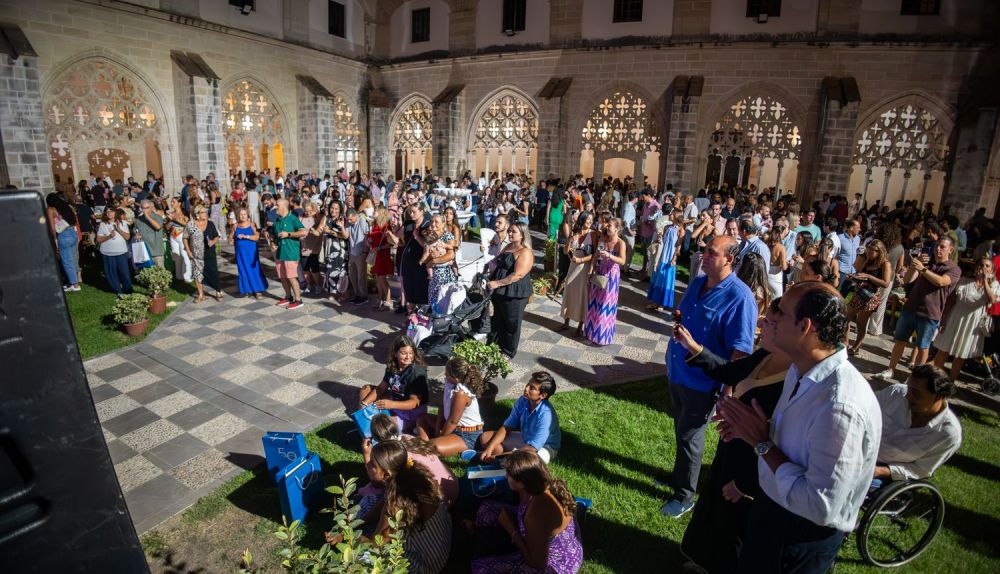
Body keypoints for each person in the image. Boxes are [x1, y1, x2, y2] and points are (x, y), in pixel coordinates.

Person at [717, 282, 881, 574]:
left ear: (804, 326)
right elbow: (799, 442)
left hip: (798, 537)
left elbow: (821, 505)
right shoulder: (799, 370)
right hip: (772, 513)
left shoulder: (840, 406)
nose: (771, 318)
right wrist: (751, 428)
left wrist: (761, 444)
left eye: (781, 312)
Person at [677, 299, 790, 574]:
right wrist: (693, 347)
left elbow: (783, 440)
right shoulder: (765, 356)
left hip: (752, 467)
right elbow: (730, 371)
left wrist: (745, 485)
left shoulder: (793, 380)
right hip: (731, 448)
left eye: (771, 322)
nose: (761, 324)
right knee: (716, 513)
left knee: (736, 527)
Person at [662, 234, 757, 518]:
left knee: (691, 437)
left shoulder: (741, 298)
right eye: (705, 250)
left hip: (702, 383)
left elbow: (740, 354)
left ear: (729, 259)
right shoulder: (698, 282)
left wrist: (728, 391)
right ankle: (678, 479)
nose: (704, 255)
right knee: (681, 432)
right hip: (677, 372)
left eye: (711, 252)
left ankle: (685, 495)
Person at [471, 450, 583, 574]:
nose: (506, 476)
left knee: (480, 568)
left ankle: (497, 547)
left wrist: (512, 530)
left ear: (521, 482)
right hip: (539, 539)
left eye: (509, 474)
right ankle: (484, 538)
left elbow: (538, 564)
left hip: (555, 564)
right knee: (487, 509)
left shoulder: (536, 513)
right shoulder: (537, 486)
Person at [358, 441, 451, 573]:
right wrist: (359, 523)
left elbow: (377, 543)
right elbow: (382, 504)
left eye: (372, 464)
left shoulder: (395, 503)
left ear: (386, 474)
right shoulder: (410, 478)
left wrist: (349, 536)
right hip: (440, 544)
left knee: (362, 556)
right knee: (371, 500)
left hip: (425, 565)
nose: (367, 464)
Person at [876, 238, 961, 381]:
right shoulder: (927, 263)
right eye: (936, 246)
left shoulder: (953, 268)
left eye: (942, 247)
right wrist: (914, 266)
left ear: (950, 250)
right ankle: (890, 370)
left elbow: (941, 281)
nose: (937, 249)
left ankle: (915, 378)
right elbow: (908, 280)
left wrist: (923, 268)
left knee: (923, 346)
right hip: (910, 308)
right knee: (900, 341)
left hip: (930, 312)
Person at [874, 364, 962, 482]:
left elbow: (921, 470)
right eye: (908, 388)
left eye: (916, 393)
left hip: (885, 473)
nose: (908, 396)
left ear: (938, 396)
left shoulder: (948, 434)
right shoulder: (895, 393)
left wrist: (879, 471)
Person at [365, 414, 460, 509]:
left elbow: (378, 483)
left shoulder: (394, 457)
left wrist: (366, 454)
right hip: (452, 487)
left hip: (439, 504)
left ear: (376, 439)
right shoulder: (407, 438)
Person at [931, 257, 1000, 381]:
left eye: (987, 266)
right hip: (955, 318)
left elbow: (992, 300)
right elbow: (951, 301)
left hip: (972, 323)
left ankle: (950, 382)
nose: (983, 268)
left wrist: (984, 280)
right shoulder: (963, 280)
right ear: (976, 267)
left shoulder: (994, 285)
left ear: (992, 271)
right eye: (981, 265)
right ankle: (934, 379)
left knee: (961, 355)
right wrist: (944, 318)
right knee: (943, 350)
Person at [480, 372, 561, 464]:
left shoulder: (546, 415)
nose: (526, 389)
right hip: (526, 439)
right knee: (485, 437)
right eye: (528, 384)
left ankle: (501, 460)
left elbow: (532, 448)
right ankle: (499, 459)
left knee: (523, 460)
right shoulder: (523, 400)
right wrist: (490, 448)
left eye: (532, 388)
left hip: (543, 449)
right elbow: (507, 427)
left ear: (543, 395)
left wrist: (499, 456)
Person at [415, 356, 486, 457]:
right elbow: (442, 406)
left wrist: (441, 436)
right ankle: (423, 444)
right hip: (451, 426)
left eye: (447, 373)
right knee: (422, 419)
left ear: (455, 378)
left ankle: (471, 447)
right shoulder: (449, 383)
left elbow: (452, 422)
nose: (444, 374)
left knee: (434, 446)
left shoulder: (461, 393)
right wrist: (437, 429)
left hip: (467, 434)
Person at [359, 335, 429, 434]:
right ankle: (367, 418)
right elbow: (381, 388)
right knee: (365, 389)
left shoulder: (416, 373)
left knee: (381, 428)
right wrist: (364, 404)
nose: (408, 357)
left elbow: (414, 403)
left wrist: (391, 404)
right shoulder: (393, 366)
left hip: (411, 413)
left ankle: (408, 426)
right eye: (404, 353)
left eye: (411, 353)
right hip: (395, 402)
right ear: (395, 353)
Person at [487, 222, 534, 358]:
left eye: (513, 232)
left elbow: (518, 275)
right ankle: (496, 345)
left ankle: (508, 351)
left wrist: (497, 283)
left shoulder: (525, 252)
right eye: (510, 231)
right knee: (498, 320)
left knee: (512, 323)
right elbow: (498, 264)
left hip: (515, 293)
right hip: (500, 291)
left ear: (522, 235)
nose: (510, 233)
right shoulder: (508, 246)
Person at [845, 239, 893, 356]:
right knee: (846, 318)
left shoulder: (885, 264)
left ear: (879, 251)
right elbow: (861, 274)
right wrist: (853, 277)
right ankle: (845, 342)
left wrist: (869, 276)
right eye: (868, 251)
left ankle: (856, 347)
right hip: (858, 292)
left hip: (870, 297)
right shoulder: (868, 260)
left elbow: (886, 283)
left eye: (872, 251)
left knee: (861, 323)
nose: (870, 253)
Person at [584, 217, 627, 346]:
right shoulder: (603, 239)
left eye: (610, 226)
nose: (607, 227)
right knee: (594, 303)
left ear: (617, 229)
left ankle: (602, 336)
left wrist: (610, 256)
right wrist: (590, 271)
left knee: (605, 305)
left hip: (612, 275)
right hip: (599, 272)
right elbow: (596, 255)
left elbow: (623, 261)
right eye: (607, 225)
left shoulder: (621, 243)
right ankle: (591, 333)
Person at [558, 211, 595, 335]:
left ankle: (580, 325)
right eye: (587, 219)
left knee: (582, 294)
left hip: (584, 267)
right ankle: (566, 321)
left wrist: (581, 260)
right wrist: (569, 240)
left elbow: (594, 255)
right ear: (582, 219)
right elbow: (565, 251)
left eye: (591, 219)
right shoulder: (574, 233)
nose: (590, 221)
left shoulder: (593, 234)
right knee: (569, 291)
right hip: (573, 265)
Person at [270, 198, 307, 310]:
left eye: (277, 205)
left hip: (291, 253)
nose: (275, 207)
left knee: (291, 277)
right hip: (280, 252)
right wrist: (272, 243)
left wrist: (289, 234)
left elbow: (304, 232)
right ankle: (288, 297)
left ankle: (298, 300)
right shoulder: (277, 220)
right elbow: (273, 236)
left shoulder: (292, 218)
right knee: (283, 277)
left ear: (283, 207)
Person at [46, 192, 81, 291]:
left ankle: (75, 285)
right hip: (72, 233)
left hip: (63, 235)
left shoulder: (50, 209)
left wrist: (54, 240)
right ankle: (73, 282)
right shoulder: (65, 207)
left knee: (66, 261)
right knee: (72, 259)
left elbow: (52, 227)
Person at [231, 207, 268, 299]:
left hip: (251, 252)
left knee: (254, 270)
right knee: (243, 270)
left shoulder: (252, 225)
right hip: (240, 253)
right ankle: (248, 289)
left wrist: (246, 236)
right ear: (238, 216)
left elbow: (257, 237)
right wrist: (231, 241)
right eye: (240, 214)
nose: (242, 216)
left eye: (244, 214)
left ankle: (257, 290)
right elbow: (230, 238)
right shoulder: (235, 226)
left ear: (247, 215)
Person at [647, 211, 680, 311]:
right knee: (658, 278)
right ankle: (655, 301)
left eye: (671, 214)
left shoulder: (680, 230)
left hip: (670, 257)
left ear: (675, 216)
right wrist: (660, 238)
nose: (669, 215)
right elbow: (663, 242)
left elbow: (679, 246)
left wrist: (674, 258)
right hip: (663, 255)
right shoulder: (667, 227)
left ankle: (662, 303)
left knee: (666, 279)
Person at [96, 208, 132, 295]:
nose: (109, 213)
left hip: (121, 252)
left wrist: (119, 229)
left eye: (111, 211)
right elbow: (98, 239)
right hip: (107, 253)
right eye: (107, 211)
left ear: (115, 212)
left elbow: (127, 237)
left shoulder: (123, 223)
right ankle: (118, 290)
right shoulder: (103, 224)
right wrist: (109, 236)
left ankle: (128, 289)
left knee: (124, 272)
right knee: (111, 273)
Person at [369, 205, 396, 310]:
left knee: (383, 279)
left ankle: (388, 301)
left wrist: (379, 247)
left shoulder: (386, 227)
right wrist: (369, 241)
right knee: (378, 279)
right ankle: (380, 299)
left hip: (383, 255)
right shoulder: (375, 225)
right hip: (376, 255)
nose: (374, 212)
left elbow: (390, 244)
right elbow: (372, 238)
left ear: (381, 212)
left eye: (376, 210)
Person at [321, 201, 349, 301]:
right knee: (330, 269)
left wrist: (330, 232)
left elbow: (345, 236)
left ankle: (343, 293)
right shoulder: (328, 219)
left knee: (341, 270)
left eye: (336, 208)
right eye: (332, 208)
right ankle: (334, 292)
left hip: (340, 249)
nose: (334, 210)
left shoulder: (342, 219)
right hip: (330, 248)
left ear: (340, 209)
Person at [134, 199, 166, 269]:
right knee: (147, 275)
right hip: (144, 252)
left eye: (147, 208)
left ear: (151, 208)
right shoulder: (138, 219)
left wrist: (147, 216)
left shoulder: (158, 217)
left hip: (156, 252)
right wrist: (136, 235)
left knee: (161, 274)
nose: (145, 210)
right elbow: (135, 231)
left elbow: (158, 227)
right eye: (143, 208)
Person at [765, 225, 787, 298]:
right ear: (780, 234)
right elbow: (784, 267)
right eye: (784, 233)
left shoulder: (766, 243)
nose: (785, 235)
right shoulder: (781, 247)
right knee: (777, 299)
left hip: (765, 273)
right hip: (775, 276)